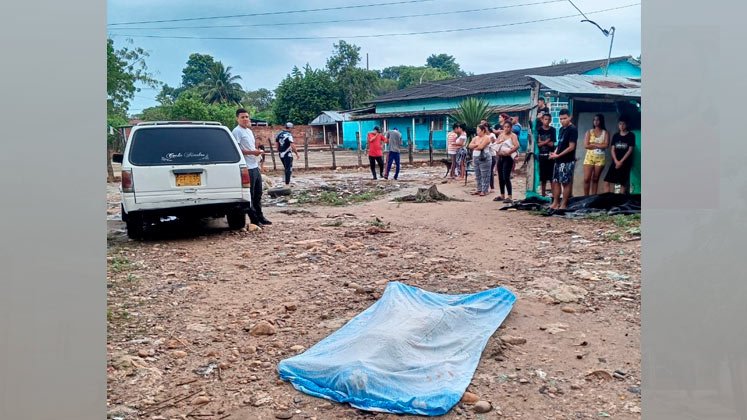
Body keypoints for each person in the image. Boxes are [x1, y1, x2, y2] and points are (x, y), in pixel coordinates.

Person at [232, 108, 271, 226]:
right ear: (237, 119)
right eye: (242, 117)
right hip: (247, 167)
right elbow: (237, 150)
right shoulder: (236, 131)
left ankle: (260, 217)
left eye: (246, 117)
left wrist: (257, 152)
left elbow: (251, 146)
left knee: (258, 194)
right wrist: (252, 152)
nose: (245, 119)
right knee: (250, 194)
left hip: (254, 165)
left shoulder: (248, 131)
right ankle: (254, 220)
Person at [549, 109, 578, 210]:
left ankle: (564, 203)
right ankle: (556, 202)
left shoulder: (572, 129)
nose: (562, 121)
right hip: (558, 160)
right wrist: (555, 153)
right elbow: (560, 144)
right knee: (556, 181)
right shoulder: (561, 129)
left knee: (565, 182)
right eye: (561, 119)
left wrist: (559, 155)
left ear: (570, 117)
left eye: (564, 118)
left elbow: (571, 147)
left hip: (567, 160)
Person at [604, 116, 636, 194]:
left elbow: (630, 150)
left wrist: (621, 162)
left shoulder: (631, 135)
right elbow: (612, 149)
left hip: (625, 163)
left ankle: (620, 203)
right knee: (606, 181)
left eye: (623, 124)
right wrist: (616, 161)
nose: (621, 126)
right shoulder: (616, 135)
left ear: (627, 125)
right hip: (615, 162)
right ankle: (607, 199)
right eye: (620, 124)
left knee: (623, 183)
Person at [582, 114, 609, 196]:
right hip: (589, 157)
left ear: (601, 121)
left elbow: (606, 145)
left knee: (595, 179)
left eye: (597, 120)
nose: (596, 121)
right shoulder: (589, 132)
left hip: (600, 158)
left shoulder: (605, 133)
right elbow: (586, 145)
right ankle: (585, 197)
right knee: (586, 179)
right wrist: (600, 145)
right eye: (594, 120)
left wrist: (593, 144)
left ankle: (593, 196)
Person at [493, 120, 520, 203]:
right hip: (500, 157)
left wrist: (510, 152)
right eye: (505, 127)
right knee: (500, 177)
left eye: (508, 127)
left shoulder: (513, 136)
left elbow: (517, 145)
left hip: (508, 158)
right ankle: (502, 195)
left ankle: (510, 196)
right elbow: (496, 144)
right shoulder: (501, 135)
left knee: (506, 177)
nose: (506, 128)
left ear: (511, 128)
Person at [468, 123, 493, 197]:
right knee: (477, 174)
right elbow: (469, 145)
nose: (477, 132)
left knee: (484, 174)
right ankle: (479, 189)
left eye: (478, 130)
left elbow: (481, 147)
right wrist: (477, 145)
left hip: (484, 157)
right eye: (477, 130)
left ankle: (484, 190)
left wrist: (475, 146)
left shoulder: (487, 137)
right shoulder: (475, 138)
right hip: (476, 157)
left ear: (483, 130)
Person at [536, 113, 557, 197]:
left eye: (548, 119)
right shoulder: (539, 130)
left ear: (550, 120)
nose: (547, 121)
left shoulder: (553, 130)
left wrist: (542, 142)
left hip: (550, 156)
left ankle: (553, 195)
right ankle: (543, 194)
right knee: (543, 177)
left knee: (551, 177)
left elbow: (552, 144)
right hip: (541, 156)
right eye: (545, 119)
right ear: (542, 120)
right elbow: (537, 144)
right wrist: (546, 141)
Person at [275, 122, 300, 186]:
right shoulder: (289, 135)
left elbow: (277, 143)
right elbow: (292, 145)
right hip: (287, 153)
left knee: (286, 167)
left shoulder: (279, 134)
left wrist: (278, 150)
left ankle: (286, 180)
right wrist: (296, 153)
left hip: (281, 153)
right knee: (289, 168)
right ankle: (287, 183)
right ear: (290, 128)